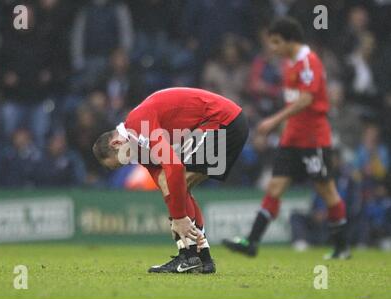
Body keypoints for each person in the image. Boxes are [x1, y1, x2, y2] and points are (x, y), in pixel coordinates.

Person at [222, 17, 351, 260]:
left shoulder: (308, 61)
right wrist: (284, 127)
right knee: (275, 187)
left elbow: (306, 100)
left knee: (327, 190)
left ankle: (342, 246)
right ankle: (252, 241)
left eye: (276, 42)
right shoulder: (290, 63)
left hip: (314, 137)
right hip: (292, 136)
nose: (273, 48)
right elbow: (295, 100)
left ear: (290, 40)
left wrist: (274, 120)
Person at [93, 87, 248, 273]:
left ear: (116, 143)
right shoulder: (138, 149)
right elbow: (167, 187)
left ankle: (189, 257)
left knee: (177, 180)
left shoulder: (138, 124)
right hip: (227, 122)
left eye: (120, 163)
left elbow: (174, 167)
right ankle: (202, 257)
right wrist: (177, 215)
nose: (125, 165)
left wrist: (180, 217)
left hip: (223, 121)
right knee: (179, 188)